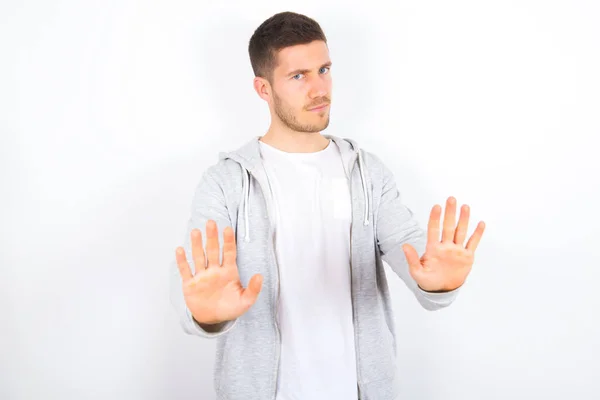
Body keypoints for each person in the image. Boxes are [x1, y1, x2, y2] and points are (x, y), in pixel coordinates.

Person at [170, 11, 485, 400]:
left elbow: (416, 258)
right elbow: (193, 287)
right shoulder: (227, 181)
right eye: (298, 76)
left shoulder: (367, 172)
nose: (319, 88)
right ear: (263, 89)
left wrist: (440, 282)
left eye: (324, 69)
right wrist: (206, 313)